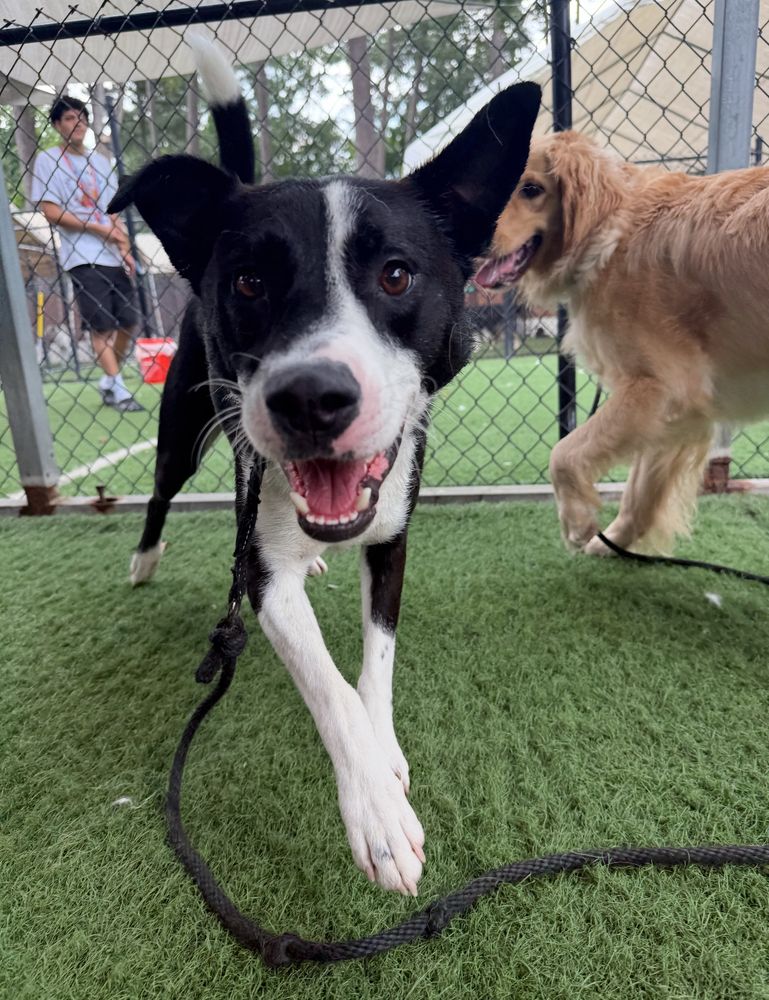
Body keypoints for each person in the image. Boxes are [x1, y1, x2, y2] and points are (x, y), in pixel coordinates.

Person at [31, 94, 144, 412]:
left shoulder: (99, 160)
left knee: (128, 322)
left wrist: (123, 246)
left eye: (81, 117)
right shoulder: (48, 160)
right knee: (102, 327)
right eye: (69, 118)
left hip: (111, 254)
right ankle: (120, 391)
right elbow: (50, 211)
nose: (77, 122)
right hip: (82, 256)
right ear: (57, 125)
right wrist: (97, 230)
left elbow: (111, 210)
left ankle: (109, 380)